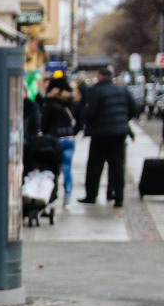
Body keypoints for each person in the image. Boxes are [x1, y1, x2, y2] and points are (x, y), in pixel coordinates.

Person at [79, 65, 138, 207]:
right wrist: (122, 120)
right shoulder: (123, 90)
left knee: (95, 165)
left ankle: (91, 195)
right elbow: (134, 108)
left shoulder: (96, 91)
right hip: (119, 133)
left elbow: (90, 113)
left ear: (99, 76)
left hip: (100, 133)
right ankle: (118, 198)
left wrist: (90, 122)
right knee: (117, 166)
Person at [40, 71, 79, 205]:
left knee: (53, 168)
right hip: (69, 138)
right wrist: (74, 132)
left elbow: (44, 123)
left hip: (55, 139)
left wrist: (44, 134)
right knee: (67, 168)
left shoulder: (50, 104)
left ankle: (52, 193)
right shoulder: (70, 103)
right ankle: (67, 195)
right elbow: (80, 118)